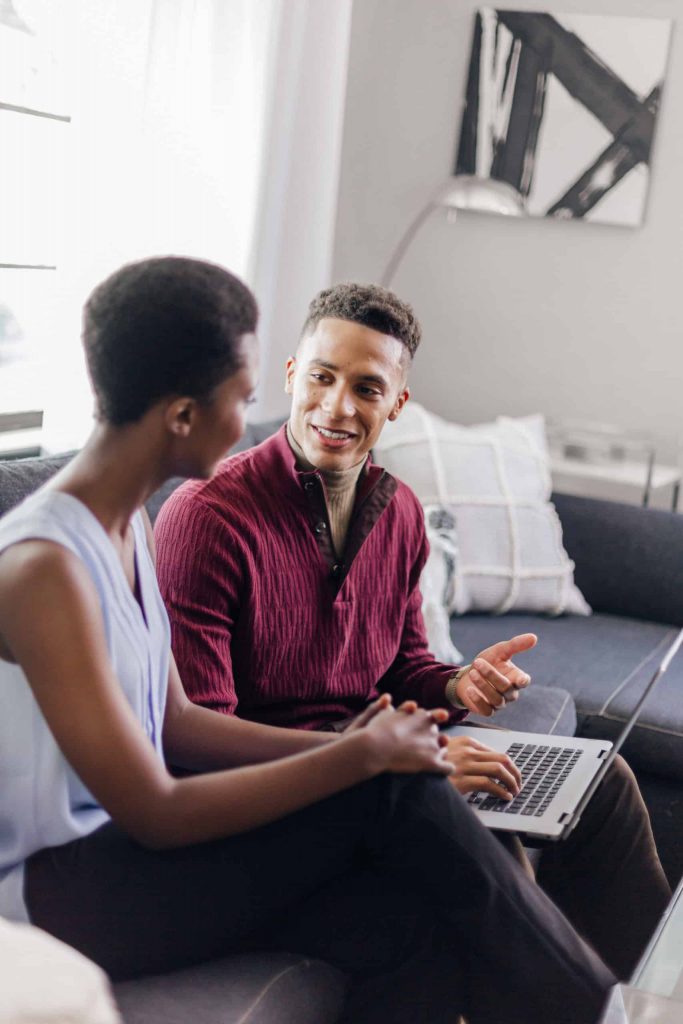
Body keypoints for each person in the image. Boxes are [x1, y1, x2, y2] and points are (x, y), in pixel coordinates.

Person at [0, 257, 615, 1024]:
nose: (249, 424)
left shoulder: (126, 529)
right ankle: (609, 1015)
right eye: (244, 398)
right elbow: (153, 806)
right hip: (59, 896)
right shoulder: (42, 567)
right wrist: (353, 758)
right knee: (390, 789)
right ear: (182, 414)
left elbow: (182, 720)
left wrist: (374, 740)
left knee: (404, 921)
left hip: (125, 863)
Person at [155, 281, 671, 980]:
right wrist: (377, 761)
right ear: (290, 376)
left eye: (367, 388)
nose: (337, 406)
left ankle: (649, 1001)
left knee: (602, 781)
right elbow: (199, 737)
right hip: (287, 791)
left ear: (396, 403)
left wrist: (460, 684)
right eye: (321, 377)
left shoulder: (397, 512)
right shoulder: (207, 518)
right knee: (484, 859)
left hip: (379, 759)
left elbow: (404, 667)